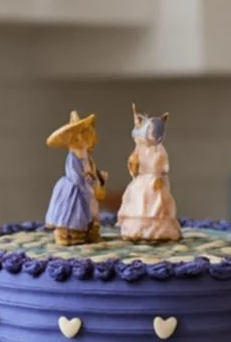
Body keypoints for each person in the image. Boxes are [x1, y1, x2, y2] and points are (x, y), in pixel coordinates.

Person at [118, 105, 181, 243]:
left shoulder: (159, 151)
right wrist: (133, 166)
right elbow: (133, 166)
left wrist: (160, 176)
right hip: (142, 182)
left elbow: (163, 166)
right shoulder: (140, 149)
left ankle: (157, 228)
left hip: (155, 181)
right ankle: (137, 228)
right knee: (139, 201)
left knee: (158, 203)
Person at [44, 111, 106, 245]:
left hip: (87, 187)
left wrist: (98, 177)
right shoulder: (73, 157)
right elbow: (76, 177)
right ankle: (71, 233)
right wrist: (89, 186)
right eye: (80, 136)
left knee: (90, 209)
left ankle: (88, 231)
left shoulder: (86, 156)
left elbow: (90, 171)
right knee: (74, 211)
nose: (84, 139)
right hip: (75, 190)